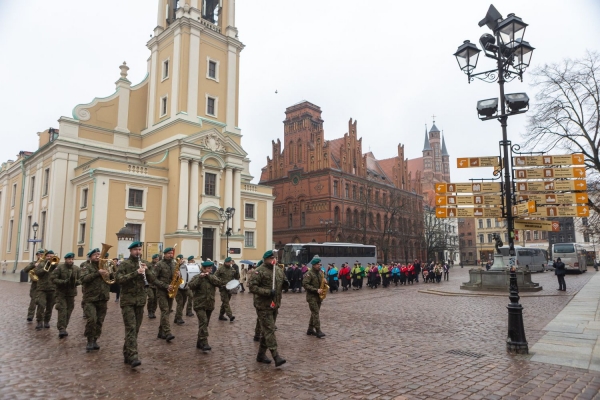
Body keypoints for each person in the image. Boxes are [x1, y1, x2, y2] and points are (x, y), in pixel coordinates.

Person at [115, 241, 155, 368]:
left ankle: (127, 353)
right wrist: (135, 273)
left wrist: (146, 271)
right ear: (130, 251)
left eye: (139, 249)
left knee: (135, 329)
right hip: (128, 301)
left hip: (140, 301)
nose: (138, 252)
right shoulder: (124, 264)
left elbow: (153, 279)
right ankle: (133, 356)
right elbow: (119, 280)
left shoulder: (144, 263)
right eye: (135, 250)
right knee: (131, 327)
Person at [248, 250, 289, 367]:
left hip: (274, 305)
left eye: (274, 258)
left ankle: (261, 355)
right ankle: (276, 356)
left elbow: (282, 283)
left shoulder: (278, 270)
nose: (273, 260)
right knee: (270, 330)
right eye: (271, 258)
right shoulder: (259, 271)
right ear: (265, 259)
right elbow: (252, 287)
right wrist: (267, 292)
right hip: (263, 305)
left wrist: (286, 285)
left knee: (267, 331)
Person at [187, 260, 222, 352]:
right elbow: (191, 286)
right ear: (203, 269)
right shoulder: (197, 277)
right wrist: (200, 278)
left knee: (205, 324)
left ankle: (199, 342)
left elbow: (219, 283)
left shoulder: (212, 277)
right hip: (199, 304)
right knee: (203, 321)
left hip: (209, 304)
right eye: (207, 268)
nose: (209, 270)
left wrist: (209, 276)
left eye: (210, 268)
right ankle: (205, 343)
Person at [80, 248, 110, 351]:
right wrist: (98, 273)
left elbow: (113, 280)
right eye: (95, 255)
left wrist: (109, 274)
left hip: (103, 298)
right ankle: (89, 340)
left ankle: (95, 339)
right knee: (92, 320)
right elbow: (83, 279)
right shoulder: (86, 266)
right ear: (91, 257)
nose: (97, 256)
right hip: (90, 299)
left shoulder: (106, 266)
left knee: (99, 321)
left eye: (98, 254)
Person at [51, 252, 80, 338]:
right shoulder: (59, 268)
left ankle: (64, 326)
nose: (70, 260)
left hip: (71, 293)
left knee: (69, 311)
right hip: (61, 293)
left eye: (72, 259)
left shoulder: (76, 269)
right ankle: (61, 328)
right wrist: (63, 282)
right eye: (69, 259)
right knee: (62, 310)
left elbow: (81, 279)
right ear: (65, 259)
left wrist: (75, 282)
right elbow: (53, 279)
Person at [154, 247, 179, 342]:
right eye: (168, 253)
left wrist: (178, 276)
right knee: (164, 310)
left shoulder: (174, 264)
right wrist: (165, 286)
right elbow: (154, 279)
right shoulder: (159, 264)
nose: (170, 255)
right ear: (164, 254)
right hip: (161, 291)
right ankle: (168, 332)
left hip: (171, 291)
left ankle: (161, 332)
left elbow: (175, 278)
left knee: (167, 311)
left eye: (171, 253)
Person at [33, 250, 58, 330]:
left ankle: (46, 321)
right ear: (46, 257)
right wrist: (44, 269)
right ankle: (39, 321)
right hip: (42, 288)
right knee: (41, 304)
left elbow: (59, 274)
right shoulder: (41, 264)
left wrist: (54, 265)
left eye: (51, 256)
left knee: (50, 307)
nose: (50, 258)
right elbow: (37, 273)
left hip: (52, 288)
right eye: (48, 256)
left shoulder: (55, 265)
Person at [302, 258, 326, 338]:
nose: (320, 266)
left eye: (320, 264)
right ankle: (318, 330)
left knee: (314, 313)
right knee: (315, 313)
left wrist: (325, 281)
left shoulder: (320, 273)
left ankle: (310, 329)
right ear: (314, 265)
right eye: (318, 264)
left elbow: (321, 281)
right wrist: (316, 290)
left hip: (318, 297)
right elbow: (305, 285)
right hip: (311, 297)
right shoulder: (309, 274)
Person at [215, 257, 240, 322]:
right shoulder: (220, 269)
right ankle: (230, 316)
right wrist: (220, 283)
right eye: (228, 262)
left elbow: (237, 278)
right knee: (226, 302)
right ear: (225, 262)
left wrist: (237, 272)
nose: (229, 263)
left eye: (230, 262)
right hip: (223, 288)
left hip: (230, 288)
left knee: (225, 302)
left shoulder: (232, 269)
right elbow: (215, 277)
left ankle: (221, 315)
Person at [23, 249, 44, 322]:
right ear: (37, 256)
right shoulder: (34, 262)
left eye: (42, 255)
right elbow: (25, 270)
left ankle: (40, 317)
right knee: (33, 301)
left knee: (42, 302)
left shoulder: (46, 263)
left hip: (43, 285)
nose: (40, 256)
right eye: (39, 255)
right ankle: (30, 315)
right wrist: (33, 265)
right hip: (35, 285)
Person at [173, 254, 189, 325]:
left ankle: (177, 317)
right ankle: (179, 318)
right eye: (180, 259)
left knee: (183, 302)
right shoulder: (174, 267)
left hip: (184, 287)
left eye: (182, 259)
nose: (181, 260)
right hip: (177, 287)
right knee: (180, 302)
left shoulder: (185, 266)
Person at [147, 254, 160, 319]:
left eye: (157, 259)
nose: (157, 260)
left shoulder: (159, 266)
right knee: (151, 298)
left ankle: (153, 311)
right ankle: (149, 311)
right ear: (153, 259)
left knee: (155, 299)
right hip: (150, 285)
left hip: (156, 285)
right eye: (155, 259)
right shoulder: (149, 265)